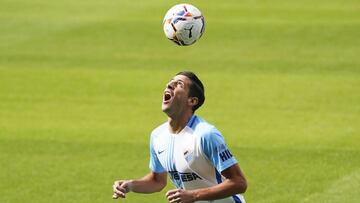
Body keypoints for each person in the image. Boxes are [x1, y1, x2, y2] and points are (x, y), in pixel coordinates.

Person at [113, 71, 247, 203]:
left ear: (192, 101)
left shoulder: (205, 135)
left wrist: (194, 196)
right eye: (170, 82)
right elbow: (157, 181)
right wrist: (130, 185)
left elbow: (239, 182)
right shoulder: (158, 136)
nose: (169, 84)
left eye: (179, 84)